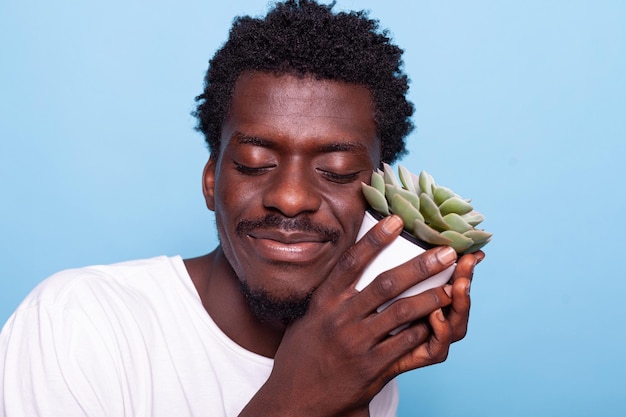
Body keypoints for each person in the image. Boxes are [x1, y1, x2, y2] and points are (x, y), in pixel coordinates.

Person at [0, 1, 484, 416]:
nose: (291, 198)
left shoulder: (354, 361)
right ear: (212, 181)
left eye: (335, 170)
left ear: (381, 198)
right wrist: (300, 398)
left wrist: (360, 383)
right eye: (255, 163)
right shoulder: (78, 323)